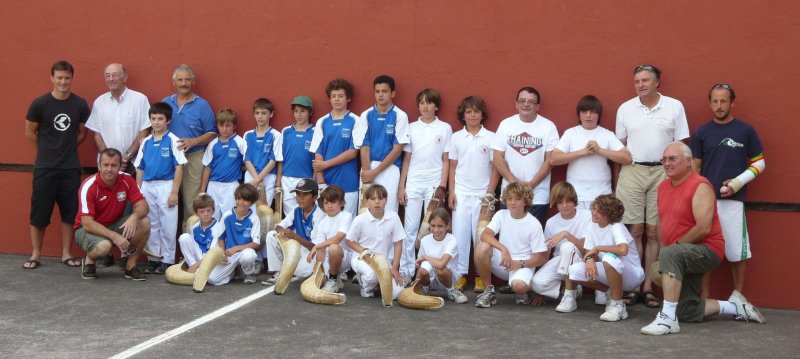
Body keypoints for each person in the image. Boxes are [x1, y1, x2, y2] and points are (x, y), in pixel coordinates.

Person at [641, 142, 765, 336]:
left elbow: (703, 228)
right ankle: (734, 307)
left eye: (672, 159)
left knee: (671, 254)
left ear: (689, 161)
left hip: (706, 250)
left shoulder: (700, 185)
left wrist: (673, 250)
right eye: (664, 160)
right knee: (686, 311)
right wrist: (665, 255)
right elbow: (663, 224)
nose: (667, 163)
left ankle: (667, 320)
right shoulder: (664, 187)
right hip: (680, 253)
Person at [615, 64, 690, 308]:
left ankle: (648, 287)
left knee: (653, 231)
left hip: (663, 171)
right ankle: (635, 284)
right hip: (633, 170)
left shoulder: (674, 106)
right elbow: (620, 147)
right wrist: (618, 177)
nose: (641, 85)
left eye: (646, 80)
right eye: (637, 81)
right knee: (634, 229)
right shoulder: (625, 108)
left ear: (658, 82)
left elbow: (680, 145)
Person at [690, 83, 765, 304]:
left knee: (736, 252)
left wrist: (738, 182)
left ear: (732, 102)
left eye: (723, 101)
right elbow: (695, 168)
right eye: (714, 101)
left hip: (734, 202)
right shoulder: (702, 132)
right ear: (710, 103)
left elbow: (759, 163)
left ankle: (738, 296)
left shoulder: (746, 131)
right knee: (705, 251)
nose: (719, 106)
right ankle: (704, 298)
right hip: (706, 204)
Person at [24, 60, 90, 270]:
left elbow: (82, 132)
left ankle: (66, 254)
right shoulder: (39, 104)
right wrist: (45, 152)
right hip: (45, 168)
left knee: (69, 213)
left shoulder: (79, 104)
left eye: (67, 78)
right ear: (52, 78)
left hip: (70, 168)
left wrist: (67, 148)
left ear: (72, 78)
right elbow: (30, 133)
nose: (63, 82)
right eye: (59, 78)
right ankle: (35, 254)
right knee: (39, 213)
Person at [85, 63, 151, 268]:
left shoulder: (139, 99)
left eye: (115, 75)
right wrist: (109, 158)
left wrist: (128, 155)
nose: (111, 79)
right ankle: (105, 252)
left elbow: (144, 131)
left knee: (129, 208)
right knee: (104, 209)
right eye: (107, 75)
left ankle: (125, 255)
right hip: (107, 166)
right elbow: (96, 133)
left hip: (131, 164)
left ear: (125, 77)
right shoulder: (99, 102)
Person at [557, 194, 644, 322]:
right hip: (610, 268)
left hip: (632, 274)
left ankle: (618, 306)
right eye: (594, 209)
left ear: (611, 214)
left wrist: (598, 248)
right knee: (574, 271)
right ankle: (612, 293)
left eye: (600, 211)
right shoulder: (592, 226)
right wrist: (590, 260)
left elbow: (622, 250)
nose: (594, 213)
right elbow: (588, 251)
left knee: (608, 258)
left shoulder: (617, 226)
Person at [398, 88, 452, 286]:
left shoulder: (445, 128)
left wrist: (442, 187)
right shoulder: (411, 127)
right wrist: (401, 187)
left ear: (436, 106)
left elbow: (446, 160)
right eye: (421, 103)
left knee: (431, 229)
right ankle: (406, 272)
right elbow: (406, 159)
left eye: (429, 103)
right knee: (410, 230)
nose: (425, 106)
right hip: (413, 183)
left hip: (433, 185)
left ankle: (428, 273)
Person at [448, 96, 500, 292]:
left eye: (476, 111)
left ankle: (481, 276)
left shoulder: (491, 137)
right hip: (461, 193)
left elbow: (496, 167)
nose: (472, 115)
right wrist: (452, 192)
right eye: (468, 112)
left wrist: (490, 193)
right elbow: (452, 166)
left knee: (481, 237)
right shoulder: (456, 137)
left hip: (482, 195)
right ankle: (460, 275)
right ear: (463, 114)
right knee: (460, 236)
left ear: (482, 114)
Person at [74, 148, 150, 280]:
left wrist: (134, 217)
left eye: (114, 165)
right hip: (87, 230)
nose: (109, 169)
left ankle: (130, 267)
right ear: (99, 166)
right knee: (104, 246)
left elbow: (143, 206)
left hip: (114, 224)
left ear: (120, 166)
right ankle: (89, 260)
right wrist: (115, 236)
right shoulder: (89, 186)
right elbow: (87, 223)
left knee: (144, 222)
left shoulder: (126, 179)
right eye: (106, 165)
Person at [474, 182, 549, 307]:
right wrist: (503, 249)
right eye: (509, 199)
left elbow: (540, 258)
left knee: (518, 286)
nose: (512, 202)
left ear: (525, 201)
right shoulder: (501, 214)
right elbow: (485, 235)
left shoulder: (534, 224)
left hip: (522, 265)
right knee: (482, 247)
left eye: (517, 199)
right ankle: (489, 292)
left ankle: (525, 290)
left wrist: (519, 263)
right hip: (504, 261)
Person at [492, 87, 559, 226]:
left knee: (533, 240)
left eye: (531, 102)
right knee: (508, 238)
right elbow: (497, 158)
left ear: (538, 106)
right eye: (522, 101)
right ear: (516, 104)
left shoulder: (548, 126)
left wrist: (531, 185)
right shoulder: (506, 125)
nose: (526, 104)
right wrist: (514, 183)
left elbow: (550, 161)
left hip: (538, 196)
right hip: (510, 195)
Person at [550, 95, 631, 209]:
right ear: (579, 114)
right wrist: (582, 152)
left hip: (602, 195)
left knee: (601, 226)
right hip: (576, 195)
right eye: (584, 112)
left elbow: (626, 158)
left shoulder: (607, 134)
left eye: (592, 112)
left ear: (598, 115)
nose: (588, 116)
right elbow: (554, 159)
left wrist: (599, 150)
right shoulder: (571, 133)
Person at [134, 102, 187, 274]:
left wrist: (174, 192)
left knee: (168, 224)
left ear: (168, 120)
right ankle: (154, 259)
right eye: (153, 119)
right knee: (152, 223)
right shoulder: (146, 142)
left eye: (160, 119)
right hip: (148, 186)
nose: (156, 122)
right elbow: (140, 168)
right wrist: (137, 193)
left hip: (166, 185)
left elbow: (179, 167)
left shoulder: (173, 140)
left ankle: (168, 260)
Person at [163, 64, 216, 225]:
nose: (184, 83)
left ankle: (190, 243)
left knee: (191, 204)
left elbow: (212, 133)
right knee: (166, 202)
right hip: (169, 159)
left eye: (187, 79)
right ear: (174, 82)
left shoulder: (202, 105)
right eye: (180, 80)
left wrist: (194, 141)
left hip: (194, 157)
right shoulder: (166, 102)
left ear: (193, 81)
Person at [530, 181, 592, 305]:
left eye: (568, 201)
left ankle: (569, 295)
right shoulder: (551, 222)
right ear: (555, 203)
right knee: (537, 283)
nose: (565, 205)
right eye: (560, 202)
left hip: (582, 260)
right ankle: (569, 289)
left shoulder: (587, 216)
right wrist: (541, 293)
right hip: (560, 262)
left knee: (567, 246)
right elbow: (546, 255)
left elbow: (586, 250)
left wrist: (566, 234)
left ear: (574, 200)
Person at [355, 75, 410, 213]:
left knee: (388, 211)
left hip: (390, 169)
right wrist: (368, 174)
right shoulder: (366, 115)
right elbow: (364, 147)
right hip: (368, 168)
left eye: (384, 91)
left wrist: (375, 172)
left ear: (392, 93)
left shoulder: (400, 115)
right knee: (365, 212)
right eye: (377, 91)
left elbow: (397, 150)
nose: (380, 95)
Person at [309, 78, 360, 217]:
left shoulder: (356, 120)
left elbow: (353, 152)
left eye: (341, 96)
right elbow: (318, 154)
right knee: (325, 226)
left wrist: (326, 164)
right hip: (327, 184)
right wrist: (321, 184)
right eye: (334, 96)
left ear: (348, 98)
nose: (337, 99)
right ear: (329, 99)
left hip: (348, 184)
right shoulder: (322, 121)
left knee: (347, 227)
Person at [345, 184, 405, 299]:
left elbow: (398, 243)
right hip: (361, 258)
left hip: (383, 261)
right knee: (371, 275)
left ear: (386, 200)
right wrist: (364, 251)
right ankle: (366, 286)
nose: (377, 202)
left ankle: (377, 284)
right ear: (367, 202)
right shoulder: (360, 219)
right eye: (372, 199)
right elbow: (349, 240)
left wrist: (395, 268)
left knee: (397, 294)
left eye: (381, 198)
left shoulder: (393, 217)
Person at [262, 178, 325, 285]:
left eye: (305, 195)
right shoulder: (296, 209)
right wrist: (282, 231)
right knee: (272, 235)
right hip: (297, 246)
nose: (300, 198)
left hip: (311, 251)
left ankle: (303, 271)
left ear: (315, 197)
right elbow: (280, 226)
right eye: (298, 194)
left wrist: (294, 236)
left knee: (302, 272)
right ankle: (279, 271)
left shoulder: (319, 215)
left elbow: (314, 247)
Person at [415, 208, 469, 304]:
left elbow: (440, 264)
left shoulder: (452, 240)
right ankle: (425, 290)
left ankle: (451, 290)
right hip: (431, 279)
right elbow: (421, 267)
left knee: (440, 268)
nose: (436, 230)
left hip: (448, 278)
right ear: (429, 225)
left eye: (440, 226)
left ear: (448, 226)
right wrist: (417, 281)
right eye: (433, 226)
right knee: (424, 268)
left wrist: (425, 257)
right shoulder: (424, 240)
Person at [201, 109, 246, 220]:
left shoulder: (240, 142)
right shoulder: (213, 144)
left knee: (230, 217)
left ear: (234, 126)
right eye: (221, 125)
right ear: (217, 125)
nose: (224, 129)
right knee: (212, 218)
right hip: (213, 186)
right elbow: (207, 167)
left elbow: (247, 163)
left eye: (228, 125)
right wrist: (202, 191)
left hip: (231, 186)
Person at [307, 185, 352, 293]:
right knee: (317, 282)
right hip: (328, 258)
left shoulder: (346, 216)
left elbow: (338, 238)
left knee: (334, 247)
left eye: (333, 202)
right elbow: (321, 249)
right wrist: (318, 269)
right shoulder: (322, 222)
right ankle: (333, 278)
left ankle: (332, 280)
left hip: (344, 257)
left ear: (341, 203)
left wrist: (317, 246)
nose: (329, 206)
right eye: (326, 203)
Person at [214, 184, 261, 285]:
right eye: (239, 199)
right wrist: (223, 254)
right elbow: (221, 237)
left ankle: (249, 273)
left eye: (245, 200)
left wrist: (236, 248)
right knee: (213, 280)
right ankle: (234, 271)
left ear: (251, 202)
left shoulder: (254, 218)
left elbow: (256, 243)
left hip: (244, 252)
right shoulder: (227, 215)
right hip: (228, 254)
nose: (241, 203)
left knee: (249, 255)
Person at [244, 98, 283, 206]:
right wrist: (255, 180)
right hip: (250, 176)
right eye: (257, 113)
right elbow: (247, 160)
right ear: (254, 115)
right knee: (248, 209)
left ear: (271, 114)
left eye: (264, 113)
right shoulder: (248, 135)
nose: (260, 116)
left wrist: (258, 180)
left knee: (264, 212)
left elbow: (273, 161)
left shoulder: (276, 135)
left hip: (268, 177)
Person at [280, 96, 315, 215]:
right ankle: (291, 233)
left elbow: (317, 158)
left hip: (306, 178)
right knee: (290, 214)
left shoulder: (315, 132)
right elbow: (280, 157)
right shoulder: (286, 131)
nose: (299, 115)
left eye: (302, 111)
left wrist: (314, 181)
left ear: (310, 112)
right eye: (296, 111)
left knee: (305, 211)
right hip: (287, 178)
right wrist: (278, 180)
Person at [177, 194, 225, 274]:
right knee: (184, 237)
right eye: (202, 211)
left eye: (208, 210)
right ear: (196, 213)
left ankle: (195, 269)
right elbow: (193, 247)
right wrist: (194, 264)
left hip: (211, 259)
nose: (206, 214)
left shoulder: (218, 228)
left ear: (213, 211)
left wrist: (197, 265)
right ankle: (192, 266)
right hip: (198, 258)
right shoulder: (195, 227)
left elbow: (213, 253)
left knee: (211, 277)